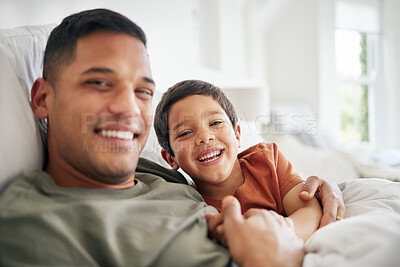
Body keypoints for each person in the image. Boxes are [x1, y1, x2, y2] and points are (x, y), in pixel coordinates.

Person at [0, 8, 344, 267]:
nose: (128, 108)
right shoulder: (33, 224)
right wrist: (277, 256)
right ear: (42, 99)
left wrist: (319, 189)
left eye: (143, 91)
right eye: (100, 83)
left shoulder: (153, 172)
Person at [154, 80, 322, 242]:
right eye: (185, 133)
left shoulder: (267, 160)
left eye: (215, 122)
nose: (205, 137)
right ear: (170, 158)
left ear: (237, 135)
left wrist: (273, 236)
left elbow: (309, 210)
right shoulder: (191, 205)